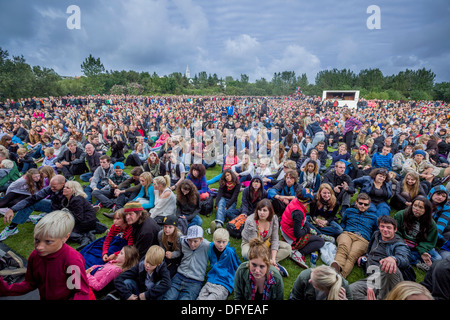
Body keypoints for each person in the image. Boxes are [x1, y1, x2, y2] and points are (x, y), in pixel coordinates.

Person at [0, 210, 90, 300]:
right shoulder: (35, 256)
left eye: (48, 241)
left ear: (65, 237)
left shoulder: (72, 260)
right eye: (37, 240)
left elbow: (81, 293)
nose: (39, 247)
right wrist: (5, 289)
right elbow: (30, 283)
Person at [349, 215, 411, 300]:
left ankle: (386, 296)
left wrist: (393, 259)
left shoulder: (399, 244)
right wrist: (366, 256)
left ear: (395, 229)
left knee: (387, 265)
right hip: (374, 279)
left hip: (389, 280)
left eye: (389, 228)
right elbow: (370, 251)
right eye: (382, 226)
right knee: (349, 291)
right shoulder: (376, 235)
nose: (385, 230)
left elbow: (404, 258)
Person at [0, 175, 66, 241]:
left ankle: (42, 218)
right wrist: (12, 209)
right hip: (54, 206)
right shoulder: (52, 187)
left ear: (62, 184)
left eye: (54, 187)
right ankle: (12, 228)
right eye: (50, 186)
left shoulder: (72, 189)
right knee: (31, 203)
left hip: (66, 213)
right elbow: (32, 199)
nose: (51, 188)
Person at [330, 193, 378, 278]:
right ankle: (334, 273)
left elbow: (376, 232)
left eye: (365, 204)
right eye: (360, 203)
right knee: (343, 249)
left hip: (363, 239)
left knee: (352, 255)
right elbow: (343, 222)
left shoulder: (373, 217)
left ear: (369, 205)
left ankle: (340, 278)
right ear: (356, 202)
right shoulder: (349, 211)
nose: (363, 206)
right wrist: (343, 230)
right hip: (347, 233)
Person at [241, 199, 291, 276]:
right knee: (246, 253)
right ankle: (270, 266)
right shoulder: (251, 221)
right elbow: (255, 246)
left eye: (264, 210)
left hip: (267, 243)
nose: (261, 213)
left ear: (270, 212)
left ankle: (270, 263)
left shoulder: (274, 219)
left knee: (287, 248)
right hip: (251, 244)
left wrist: (273, 258)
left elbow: (274, 239)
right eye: (259, 210)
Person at [280, 188, 325, 269]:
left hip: (285, 228)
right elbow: (297, 234)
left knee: (313, 231)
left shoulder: (295, 200)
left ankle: (317, 234)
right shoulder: (298, 213)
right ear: (307, 201)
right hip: (290, 236)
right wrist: (307, 230)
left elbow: (299, 222)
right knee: (320, 241)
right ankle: (299, 253)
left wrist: (306, 227)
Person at [394, 196, 441, 271]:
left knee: (437, 259)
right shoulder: (401, 215)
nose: (416, 209)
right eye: (415, 206)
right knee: (395, 252)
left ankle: (414, 259)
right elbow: (396, 232)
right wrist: (402, 245)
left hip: (419, 246)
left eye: (421, 207)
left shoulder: (431, 224)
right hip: (402, 244)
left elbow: (429, 241)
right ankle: (416, 262)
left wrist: (422, 251)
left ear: (426, 210)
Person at [163, 225, 210, 300]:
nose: (192, 244)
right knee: (168, 298)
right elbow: (178, 251)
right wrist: (172, 254)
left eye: (195, 241)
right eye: (190, 240)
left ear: (201, 239)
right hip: (179, 277)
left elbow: (222, 247)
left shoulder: (207, 246)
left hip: (195, 282)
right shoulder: (183, 242)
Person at [197, 228, 241, 300]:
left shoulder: (230, 252)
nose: (221, 245)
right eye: (218, 242)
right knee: (200, 298)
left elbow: (237, 266)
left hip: (223, 283)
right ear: (213, 240)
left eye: (224, 242)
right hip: (211, 280)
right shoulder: (211, 247)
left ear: (227, 241)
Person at [61, 180, 100, 250]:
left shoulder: (77, 200)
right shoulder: (67, 199)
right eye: (64, 187)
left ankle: (83, 239)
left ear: (73, 190)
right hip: (83, 220)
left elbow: (78, 218)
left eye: (67, 188)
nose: (64, 188)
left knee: (64, 232)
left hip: (86, 221)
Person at [427, 185, 450, 259]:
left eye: (443, 196)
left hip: (434, 231)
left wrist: (432, 237)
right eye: (438, 194)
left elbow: (440, 226)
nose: (440, 197)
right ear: (432, 193)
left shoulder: (446, 207)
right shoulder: (422, 202)